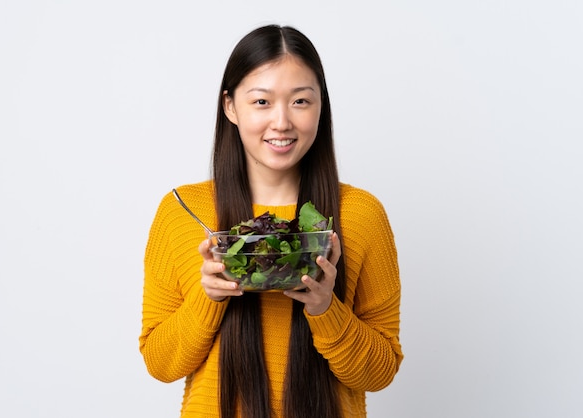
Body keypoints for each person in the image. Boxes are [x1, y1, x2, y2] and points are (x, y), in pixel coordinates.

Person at [139, 24, 403, 418]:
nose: (281, 122)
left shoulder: (361, 214)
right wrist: (208, 298)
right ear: (230, 106)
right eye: (261, 102)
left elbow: (380, 373)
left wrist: (325, 307)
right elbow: (160, 365)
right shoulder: (183, 212)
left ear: (321, 107)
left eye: (300, 101)